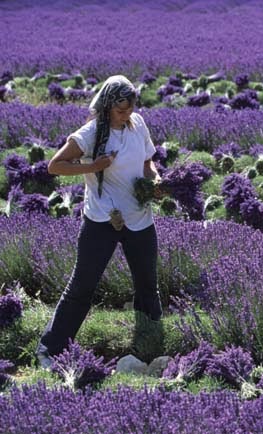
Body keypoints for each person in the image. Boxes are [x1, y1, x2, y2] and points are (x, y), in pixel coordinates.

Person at [36, 75, 163, 369]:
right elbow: (55, 165)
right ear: (107, 106)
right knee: (82, 286)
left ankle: (149, 343)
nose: (127, 114)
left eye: (130, 108)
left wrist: (154, 179)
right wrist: (95, 166)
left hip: (139, 217)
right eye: (121, 110)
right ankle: (49, 349)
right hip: (101, 220)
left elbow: (147, 161)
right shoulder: (91, 133)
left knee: (147, 285)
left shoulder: (138, 124)